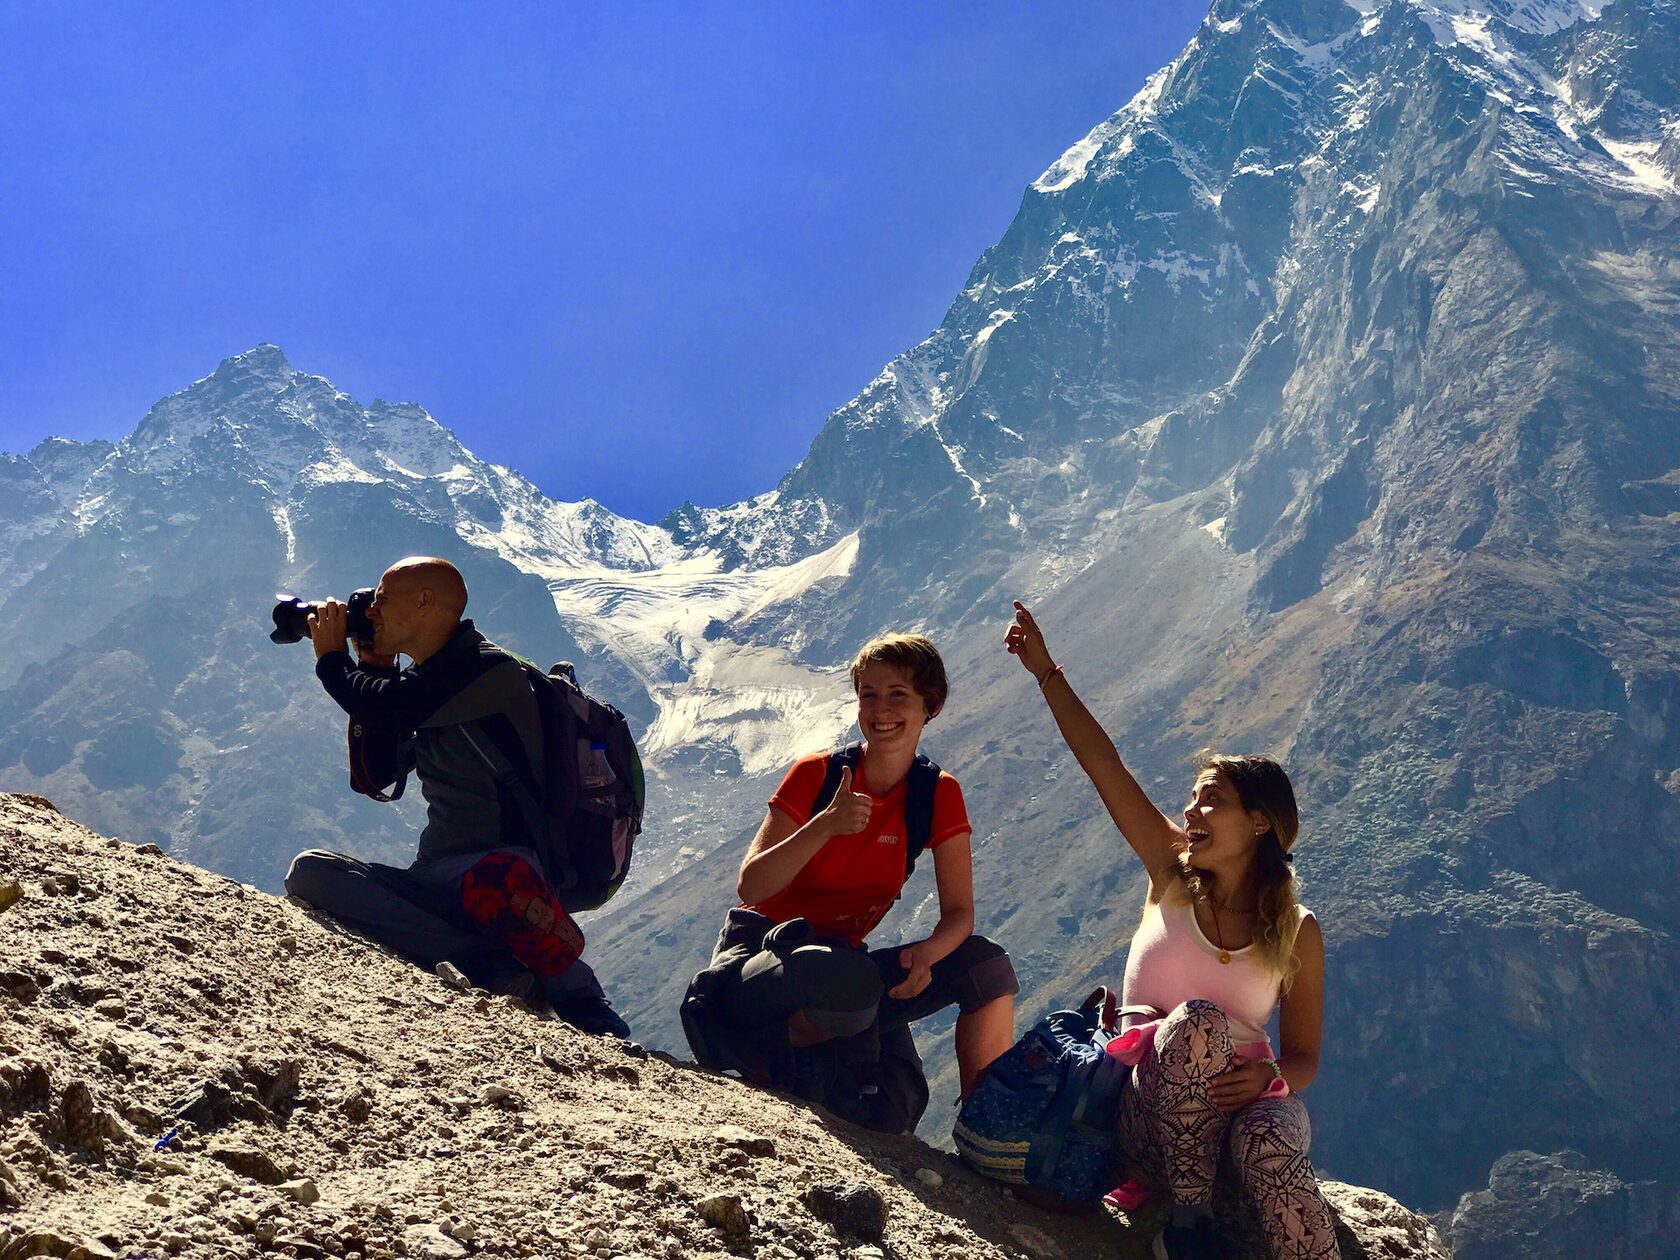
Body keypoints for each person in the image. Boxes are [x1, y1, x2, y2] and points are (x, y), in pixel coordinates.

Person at [1005, 601, 1339, 1260]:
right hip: (1142, 1118)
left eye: (1211, 798)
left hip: (1239, 1117)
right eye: (1193, 797)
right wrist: (1046, 672)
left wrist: (1269, 1073)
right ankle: (1188, 1227)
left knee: (1274, 1138)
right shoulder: (1169, 875)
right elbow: (1105, 766)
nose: (1191, 809)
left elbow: (1303, 1058)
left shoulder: (1297, 931)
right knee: (1196, 1021)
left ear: (1260, 823)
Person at [681, 633, 1017, 1132]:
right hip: (764, 963)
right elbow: (752, 887)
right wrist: (826, 825)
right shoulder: (817, 775)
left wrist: (927, 955)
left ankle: (987, 1132)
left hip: (846, 975)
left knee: (983, 969)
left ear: (932, 704)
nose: (881, 709)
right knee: (837, 975)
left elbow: (959, 914)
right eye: (869, 695)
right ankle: (767, 1048)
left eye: (898, 694)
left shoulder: (936, 794)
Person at [283, 555, 629, 1037]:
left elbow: (390, 706)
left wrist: (331, 660)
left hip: (507, 872)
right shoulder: (423, 686)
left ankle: (576, 991)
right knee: (311, 870)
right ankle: (490, 963)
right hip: (440, 876)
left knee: (498, 878)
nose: (372, 610)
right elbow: (374, 776)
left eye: (382, 599)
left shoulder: (489, 672)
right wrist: (374, 663)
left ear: (424, 602)